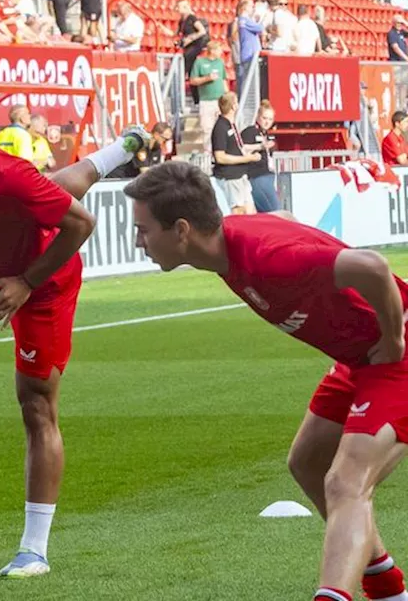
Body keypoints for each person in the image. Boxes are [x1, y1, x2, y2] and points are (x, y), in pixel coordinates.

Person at [124, 162, 408, 601]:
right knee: (307, 462)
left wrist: (392, 339)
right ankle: (386, 585)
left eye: (143, 229)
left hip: (397, 355)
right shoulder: (228, 247)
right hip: (359, 359)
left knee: (345, 482)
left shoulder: (269, 260)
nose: (138, 240)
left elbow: (371, 267)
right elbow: (286, 221)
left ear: (181, 230)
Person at [0, 72, 149, 578]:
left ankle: (34, 550)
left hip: (46, 282)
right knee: (61, 185)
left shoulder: (2, 174)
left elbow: (82, 225)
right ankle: (123, 147)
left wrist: (27, 280)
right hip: (13, 244)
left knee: (36, 403)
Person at [210, 92, 259, 215]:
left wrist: (259, 146)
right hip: (230, 176)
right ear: (233, 106)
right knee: (238, 211)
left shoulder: (231, 124)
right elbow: (220, 157)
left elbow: (238, 147)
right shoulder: (220, 127)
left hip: (240, 174)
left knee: (251, 211)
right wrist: (247, 159)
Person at [189, 38, 227, 152]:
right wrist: (207, 78)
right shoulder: (200, 62)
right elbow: (193, 80)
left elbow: (224, 80)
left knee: (222, 127)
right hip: (206, 101)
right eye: (219, 49)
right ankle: (208, 153)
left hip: (220, 100)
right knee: (207, 129)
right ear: (213, 50)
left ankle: (221, 150)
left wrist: (227, 95)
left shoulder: (220, 62)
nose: (221, 51)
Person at [242, 101, 280, 212]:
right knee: (275, 211)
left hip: (268, 175)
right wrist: (260, 146)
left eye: (270, 119)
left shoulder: (267, 134)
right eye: (264, 118)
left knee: (266, 213)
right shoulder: (250, 132)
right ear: (258, 117)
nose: (267, 122)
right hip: (258, 177)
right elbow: (242, 148)